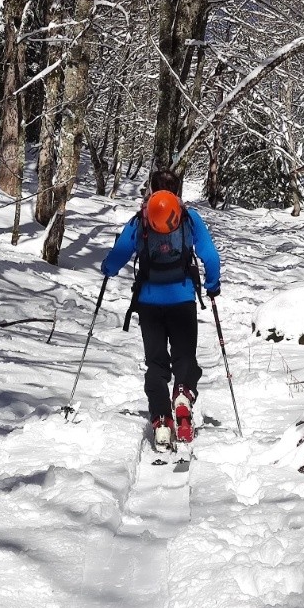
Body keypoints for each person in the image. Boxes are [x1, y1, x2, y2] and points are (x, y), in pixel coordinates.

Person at [101, 168, 221, 449]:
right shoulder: (189, 219)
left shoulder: (141, 220)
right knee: (185, 358)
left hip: (149, 302)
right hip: (182, 300)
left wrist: (108, 269)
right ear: (177, 191)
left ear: (151, 190)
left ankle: (161, 421)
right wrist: (212, 284)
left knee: (155, 363)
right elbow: (210, 256)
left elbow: (118, 254)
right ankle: (183, 394)